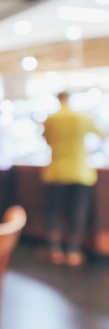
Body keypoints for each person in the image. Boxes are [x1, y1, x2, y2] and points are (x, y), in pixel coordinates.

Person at [42, 91, 104, 266]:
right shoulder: (82, 117)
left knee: (54, 212)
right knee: (78, 213)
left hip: (56, 172)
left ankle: (55, 250)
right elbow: (101, 134)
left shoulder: (51, 119)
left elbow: (46, 140)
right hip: (80, 172)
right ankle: (73, 252)